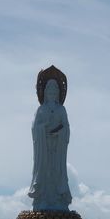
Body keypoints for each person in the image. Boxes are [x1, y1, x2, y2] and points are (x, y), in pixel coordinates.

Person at [28, 78, 72, 211]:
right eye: (49, 89)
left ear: (58, 93)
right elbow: (34, 128)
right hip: (44, 148)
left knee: (57, 172)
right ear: (45, 92)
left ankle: (59, 201)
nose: (52, 92)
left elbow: (67, 128)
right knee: (44, 172)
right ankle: (42, 201)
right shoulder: (41, 109)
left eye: (55, 89)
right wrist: (43, 128)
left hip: (57, 148)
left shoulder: (61, 109)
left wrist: (59, 132)